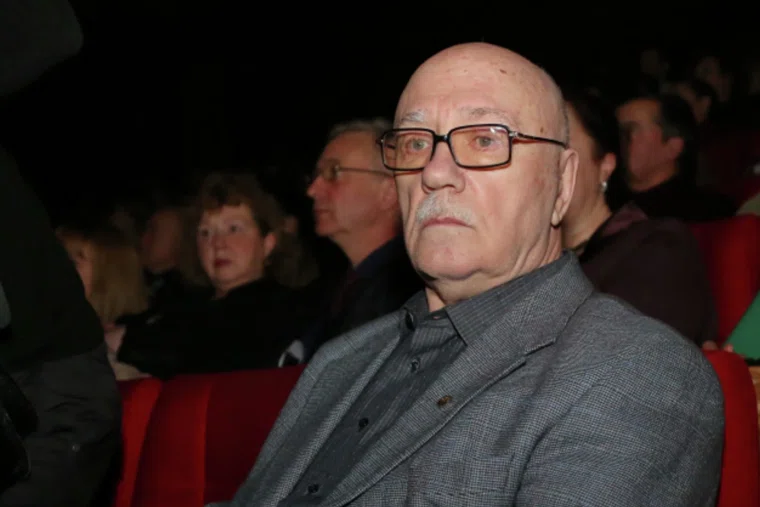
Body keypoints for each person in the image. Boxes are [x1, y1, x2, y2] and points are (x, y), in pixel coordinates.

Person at [213, 43, 723, 507]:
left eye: (484, 139)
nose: (434, 172)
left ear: (563, 183)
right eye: (415, 143)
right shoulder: (340, 360)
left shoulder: (634, 371)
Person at [562, 89, 717, 345]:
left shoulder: (657, 246)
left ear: (605, 165)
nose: (540, 164)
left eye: (560, 146)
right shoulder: (524, 260)